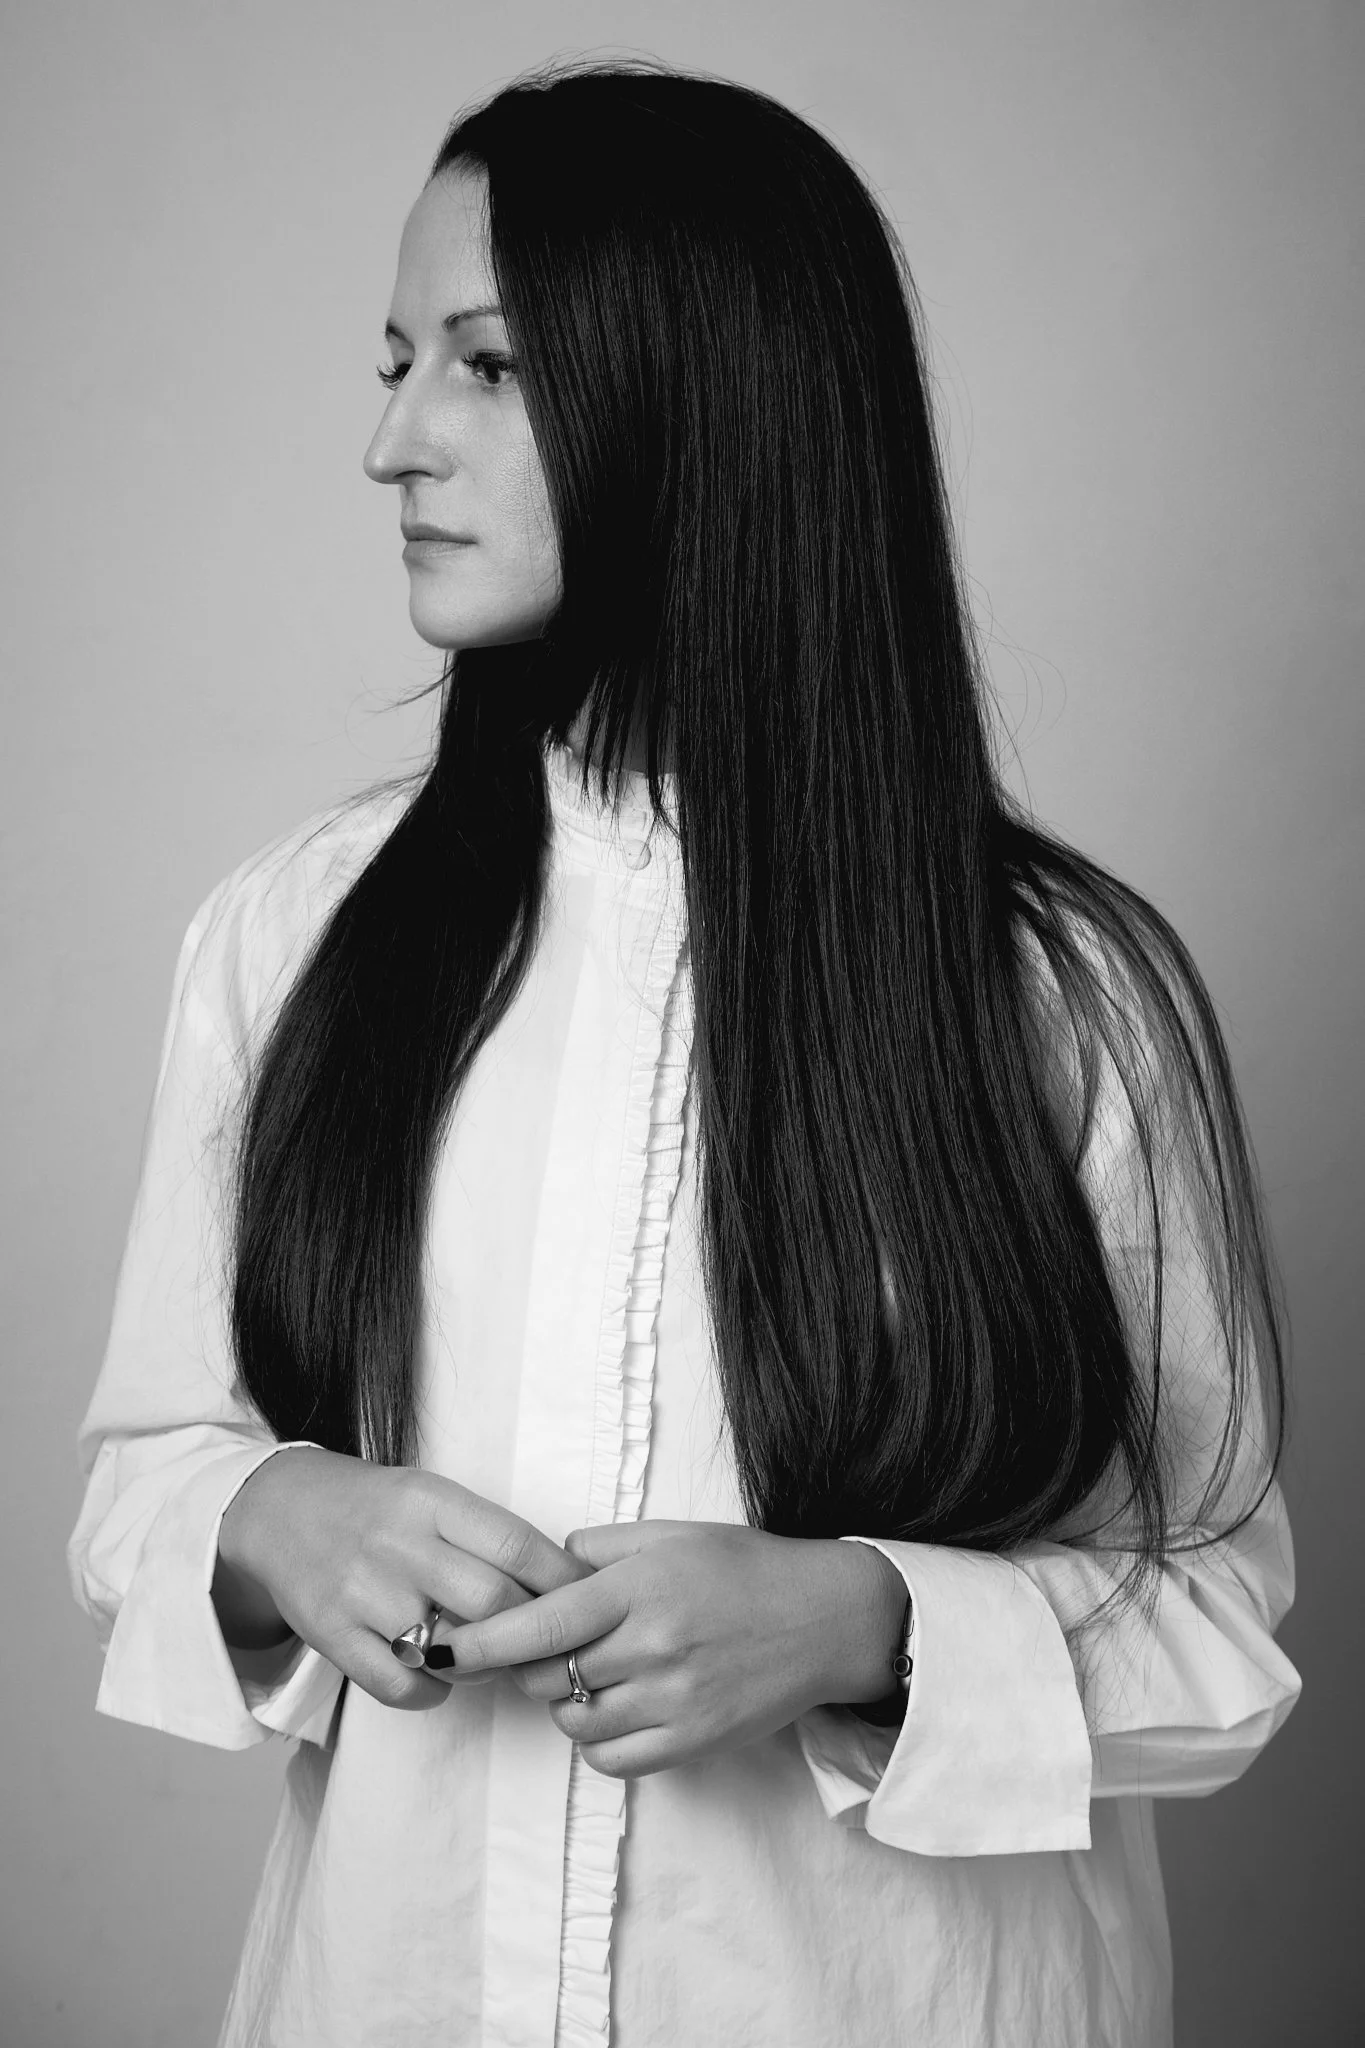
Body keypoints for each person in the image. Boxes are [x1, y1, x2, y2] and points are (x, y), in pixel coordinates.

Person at [67, 55, 1302, 2048]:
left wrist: (868, 1623)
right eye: (394, 361)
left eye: (483, 365)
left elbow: (1218, 1627)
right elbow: (142, 1488)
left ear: (706, 395)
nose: (391, 440)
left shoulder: (1056, 996)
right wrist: (271, 1516)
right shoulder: (291, 939)